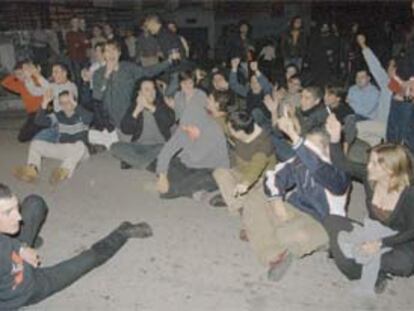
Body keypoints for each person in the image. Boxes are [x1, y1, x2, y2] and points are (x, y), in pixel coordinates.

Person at [0, 183, 153, 310]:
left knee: (35, 202)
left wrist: (20, 247)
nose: (19, 217)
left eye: (16, 208)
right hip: (29, 288)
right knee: (88, 259)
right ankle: (122, 233)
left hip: (12, 249)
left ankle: (26, 241)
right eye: (8, 212)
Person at [243, 113, 349, 282]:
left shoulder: (338, 172)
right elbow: (273, 175)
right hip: (295, 211)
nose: (306, 152)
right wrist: (276, 200)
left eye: (311, 148)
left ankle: (266, 233)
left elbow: (317, 168)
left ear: (328, 149)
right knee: (256, 198)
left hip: (323, 223)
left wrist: (294, 136)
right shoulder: (300, 161)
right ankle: (273, 255)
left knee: (294, 235)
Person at [325, 114, 414, 295]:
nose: (368, 167)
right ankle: (368, 268)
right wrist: (335, 138)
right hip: (374, 231)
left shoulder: (409, 194)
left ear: (390, 170)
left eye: (374, 164)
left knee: (405, 264)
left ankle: (366, 262)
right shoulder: (370, 178)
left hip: (398, 240)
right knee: (332, 221)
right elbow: (342, 164)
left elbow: (411, 231)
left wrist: (380, 243)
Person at [156, 71, 230, 199]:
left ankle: (178, 190)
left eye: (209, 99)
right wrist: (162, 174)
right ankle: (196, 192)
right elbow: (169, 148)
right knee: (171, 164)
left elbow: (196, 156)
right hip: (193, 165)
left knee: (203, 179)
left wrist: (191, 138)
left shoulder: (212, 127)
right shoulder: (186, 123)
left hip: (212, 168)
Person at [92, 40, 175, 131]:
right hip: (110, 122)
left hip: (129, 117)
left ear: (119, 53)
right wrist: (106, 75)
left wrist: (168, 62)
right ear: (104, 55)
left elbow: (148, 71)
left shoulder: (128, 67)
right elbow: (97, 96)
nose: (111, 54)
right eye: (108, 51)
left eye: (114, 50)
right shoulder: (98, 74)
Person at [13, 90, 92, 185]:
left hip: (80, 152)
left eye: (68, 102)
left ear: (74, 102)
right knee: (36, 143)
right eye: (62, 103)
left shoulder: (81, 114)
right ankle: (32, 169)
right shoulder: (58, 116)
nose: (65, 105)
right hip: (63, 149)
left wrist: (76, 106)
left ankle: (63, 171)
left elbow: (89, 118)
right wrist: (44, 104)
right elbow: (40, 121)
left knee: (81, 145)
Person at [211, 111, 276, 212]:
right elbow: (224, 124)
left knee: (260, 194)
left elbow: (256, 166)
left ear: (240, 132)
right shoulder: (244, 127)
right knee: (219, 173)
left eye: (231, 130)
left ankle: (242, 203)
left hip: (259, 179)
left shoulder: (264, 144)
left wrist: (245, 183)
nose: (229, 131)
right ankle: (239, 205)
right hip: (241, 173)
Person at [110, 78, 175, 170]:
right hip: (139, 146)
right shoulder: (134, 107)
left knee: (169, 148)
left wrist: (150, 106)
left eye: (153, 89)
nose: (152, 92)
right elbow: (125, 129)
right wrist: (136, 111)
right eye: (147, 89)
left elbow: (169, 121)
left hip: (160, 145)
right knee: (115, 147)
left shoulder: (161, 104)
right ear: (139, 93)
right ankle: (150, 163)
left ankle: (136, 162)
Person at [1, 60, 47, 142]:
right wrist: (14, 75)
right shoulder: (20, 84)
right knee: (22, 137)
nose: (19, 76)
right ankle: (42, 130)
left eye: (21, 73)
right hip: (32, 114)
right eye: (17, 75)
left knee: (27, 134)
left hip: (43, 111)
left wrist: (30, 74)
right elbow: (5, 83)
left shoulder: (36, 79)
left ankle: (45, 129)